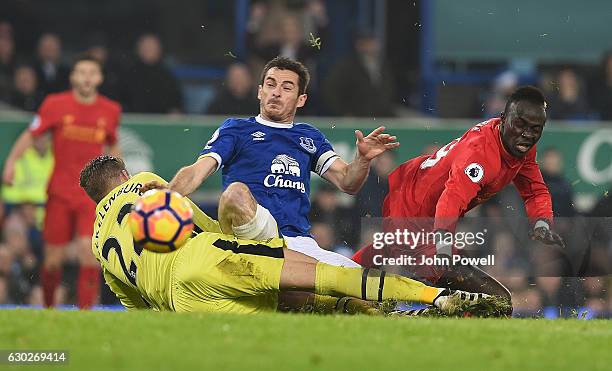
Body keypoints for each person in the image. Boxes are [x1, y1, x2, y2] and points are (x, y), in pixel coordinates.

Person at [80, 155, 492, 315]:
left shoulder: (100, 244)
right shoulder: (144, 185)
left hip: (180, 303)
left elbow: (135, 309)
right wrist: (227, 239)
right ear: (122, 177)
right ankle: (435, 298)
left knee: (291, 311)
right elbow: (184, 218)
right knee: (321, 279)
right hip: (203, 259)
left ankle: (393, 320)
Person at [143, 56, 398, 268]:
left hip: (298, 242)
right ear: (259, 91)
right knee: (235, 194)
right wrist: (169, 193)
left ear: (301, 99)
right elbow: (199, 170)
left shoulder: (309, 136)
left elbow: (347, 182)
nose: (276, 92)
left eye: (286, 87)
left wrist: (362, 160)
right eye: (270, 84)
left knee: (363, 281)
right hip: (255, 237)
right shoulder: (237, 130)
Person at [352, 86, 566, 314]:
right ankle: (402, 317)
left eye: (535, 129)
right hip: (415, 215)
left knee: (371, 261)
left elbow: (534, 189)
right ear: (503, 119)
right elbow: (450, 200)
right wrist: (443, 249)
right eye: (521, 124)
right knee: (497, 302)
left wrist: (542, 222)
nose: (527, 134)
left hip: (417, 203)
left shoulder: (517, 146)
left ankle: (335, 278)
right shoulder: (481, 155)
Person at [2, 55, 122, 309]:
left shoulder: (110, 110)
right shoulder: (55, 104)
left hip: (90, 194)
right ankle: (48, 310)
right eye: (81, 72)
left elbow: (113, 144)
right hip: (59, 193)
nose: (87, 77)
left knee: (88, 254)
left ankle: (86, 313)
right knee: (52, 260)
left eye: (92, 72)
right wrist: (12, 162)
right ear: (73, 77)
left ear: (99, 78)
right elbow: (31, 134)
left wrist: (121, 176)